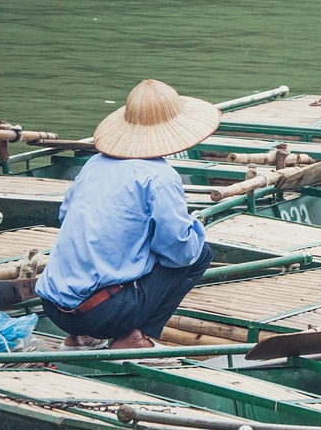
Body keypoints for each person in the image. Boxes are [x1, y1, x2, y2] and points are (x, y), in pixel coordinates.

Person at [35, 79, 217, 350]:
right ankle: (135, 339)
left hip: (53, 307)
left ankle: (78, 338)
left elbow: (65, 216)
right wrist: (194, 227)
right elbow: (181, 251)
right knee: (199, 253)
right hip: (102, 314)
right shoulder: (161, 177)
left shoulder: (94, 164)